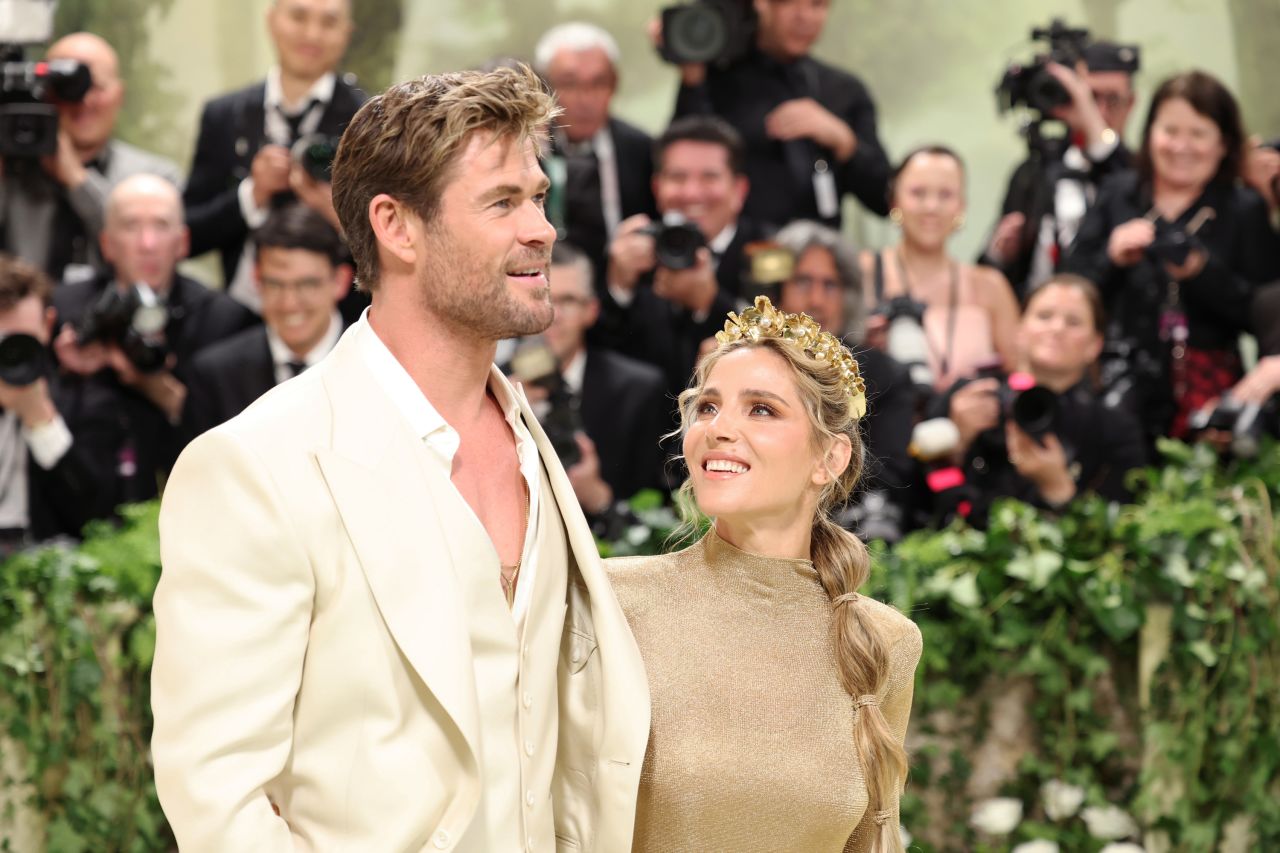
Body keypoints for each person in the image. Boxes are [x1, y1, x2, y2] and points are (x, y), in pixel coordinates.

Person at [151, 65, 649, 851]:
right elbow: (217, 798)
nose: (542, 229)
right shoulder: (257, 464)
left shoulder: (532, 439)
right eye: (503, 202)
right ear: (398, 226)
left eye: (539, 197)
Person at [608, 295, 921, 852]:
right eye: (707, 407)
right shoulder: (615, 601)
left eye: (761, 409)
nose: (719, 429)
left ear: (831, 458)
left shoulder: (885, 643)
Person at [1062, 70, 1280, 440]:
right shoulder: (1120, 193)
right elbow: (1068, 288)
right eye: (1170, 131)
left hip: (1210, 387)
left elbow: (1265, 313)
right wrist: (1112, 258)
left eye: (1198, 134)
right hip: (1120, 382)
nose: (1181, 146)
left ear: (1223, 144)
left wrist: (1202, 272)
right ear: (1149, 135)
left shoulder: (1242, 207)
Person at [52, 174, 257, 495]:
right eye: (131, 226)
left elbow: (234, 442)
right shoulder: (67, 309)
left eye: (161, 226)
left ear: (183, 242)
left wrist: (156, 387)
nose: (147, 244)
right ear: (106, 243)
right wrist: (68, 374)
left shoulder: (221, 318)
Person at [182, 0, 364, 312]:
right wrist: (253, 194)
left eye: (329, 22)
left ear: (347, 32)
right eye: (298, 16)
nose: (312, 34)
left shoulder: (368, 122)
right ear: (272, 20)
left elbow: (393, 247)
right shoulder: (224, 115)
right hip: (240, 314)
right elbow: (188, 236)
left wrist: (336, 215)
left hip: (338, 323)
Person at [932, 275, 1147, 524]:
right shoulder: (969, 396)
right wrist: (953, 445)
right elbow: (908, 491)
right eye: (1044, 316)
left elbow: (1120, 529)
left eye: (1073, 322)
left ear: (1094, 345)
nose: (1056, 329)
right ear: (1020, 330)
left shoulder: (1112, 429)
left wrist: (1058, 490)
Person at [667, 0, 892, 227]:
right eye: (789, 3)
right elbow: (678, 168)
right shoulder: (715, 82)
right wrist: (692, 79)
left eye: (817, 5)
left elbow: (886, 200)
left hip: (818, 253)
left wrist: (844, 142)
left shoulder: (843, 90)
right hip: (738, 253)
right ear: (762, 4)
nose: (804, 17)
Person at [599, 116, 766, 402]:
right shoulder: (633, 248)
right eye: (677, 177)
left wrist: (710, 303)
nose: (691, 193)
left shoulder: (769, 251)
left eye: (709, 177)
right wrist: (618, 288)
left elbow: (785, 348)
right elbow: (600, 363)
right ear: (656, 188)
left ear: (739, 190)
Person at [0, 32, 181, 283]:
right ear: (44, 94)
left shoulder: (155, 178)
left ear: (120, 95)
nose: (83, 101)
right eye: (67, 88)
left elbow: (148, 252)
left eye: (94, 87)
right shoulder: (15, 172)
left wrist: (77, 180)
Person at [773, 219, 915, 540]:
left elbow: (886, 476)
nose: (817, 300)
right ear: (775, 290)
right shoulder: (745, 365)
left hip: (849, 534)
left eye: (831, 285)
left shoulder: (880, 375)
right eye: (802, 282)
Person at [981, 42, 1140, 297]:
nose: (1098, 111)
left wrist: (1092, 125)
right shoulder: (1035, 171)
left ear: (1131, 103)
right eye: (1089, 97)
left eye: (1112, 100)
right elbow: (991, 266)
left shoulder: (1137, 172)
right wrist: (1000, 253)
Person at [182, 203, 350, 439]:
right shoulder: (214, 377)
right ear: (256, 280)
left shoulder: (378, 370)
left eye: (307, 284)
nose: (289, 303)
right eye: (275, 284)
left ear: (340, 282)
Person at [862, 146, 1021, 392]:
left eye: (945, 195)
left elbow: (1019, 371)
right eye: (918, 193)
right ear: (895, 200)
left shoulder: (989, 285)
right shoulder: (863, 271)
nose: (931, 207)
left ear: (961, 205)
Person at [0, 253, 125, 554]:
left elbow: (98, 519)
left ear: (47, 324)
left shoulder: (84, 400)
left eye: (21, 342)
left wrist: (41, 420)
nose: (8, 357)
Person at [536, 241, 670, 513]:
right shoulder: (491, 387)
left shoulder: (639, 391)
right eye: (542, 297)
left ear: (592, 311)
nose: (554, 315)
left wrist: (599, 498)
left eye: (568, 301)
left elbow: (665, 515)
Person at [534, 23, 656, 286]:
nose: (585, 99)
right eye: (570, 84)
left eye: (598, 83)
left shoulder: (640, 149)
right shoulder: (529, 148)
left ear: (614, 86)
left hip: (621, 292)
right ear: (545, 89)